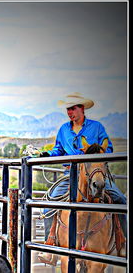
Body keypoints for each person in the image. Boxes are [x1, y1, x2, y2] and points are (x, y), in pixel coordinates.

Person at [37, 92, 127, 264]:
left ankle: (123, 242)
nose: (70, 112)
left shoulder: (97, 127)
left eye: (73, 108)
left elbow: (109, 149)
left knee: (120, 199)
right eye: (68, 109)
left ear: (82, 109)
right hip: (70, 175)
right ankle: (50, 246)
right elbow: (58, 151)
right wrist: (46, 154)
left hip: (95, 174)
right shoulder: (64, 130)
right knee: (48, 206)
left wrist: (95, 154)